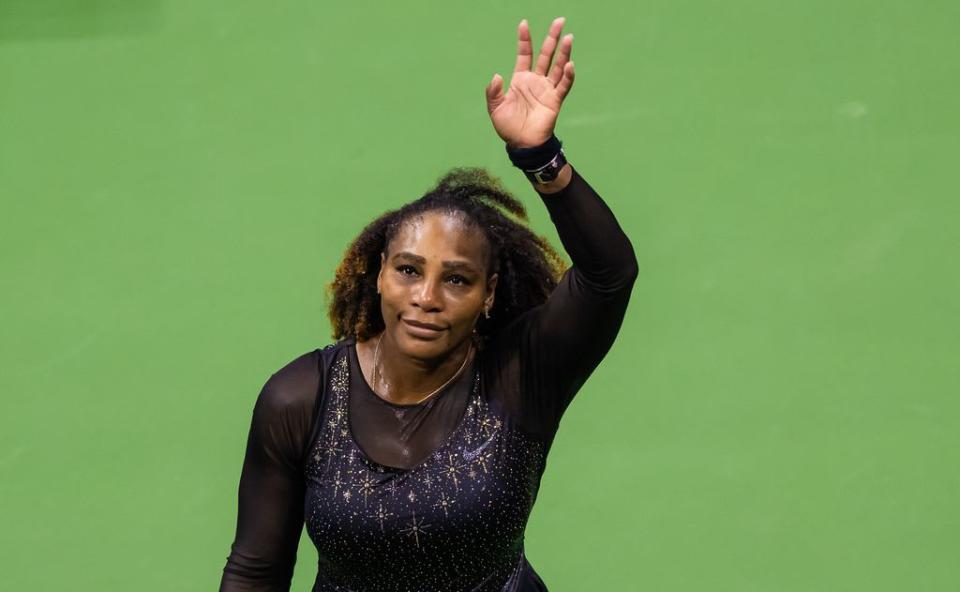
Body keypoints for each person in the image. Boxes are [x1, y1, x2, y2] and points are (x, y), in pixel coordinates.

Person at [219, 16, 638, 592]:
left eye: (457, 280)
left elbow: (609, 274)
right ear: (378, 277)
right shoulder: (299, 399)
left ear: (488, 296)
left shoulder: (521, 375)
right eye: (409, 271)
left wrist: (540, 156)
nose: (426, 299)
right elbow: (256, 570)